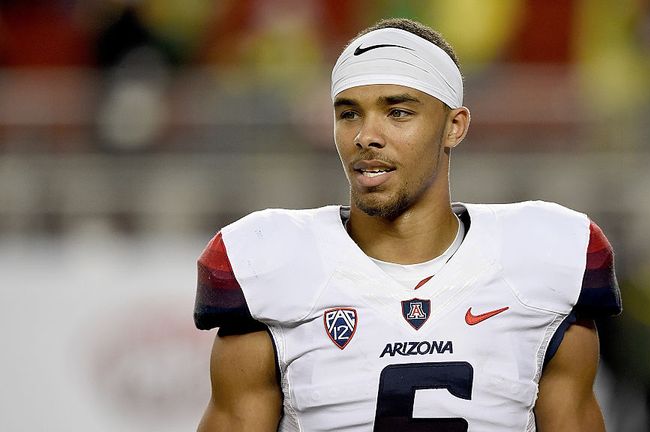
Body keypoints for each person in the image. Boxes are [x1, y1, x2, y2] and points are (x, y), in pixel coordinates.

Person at [194, 17, 621, 432]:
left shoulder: (542, 264)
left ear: (454, 126)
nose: (366, 136)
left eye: (397, 112)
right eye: (349, 114)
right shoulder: (271, 267)